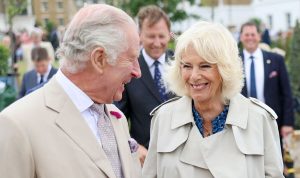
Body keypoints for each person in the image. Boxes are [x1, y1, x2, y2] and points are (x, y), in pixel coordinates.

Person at [0, 4, 142, 178]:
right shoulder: (17, 124)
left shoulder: (115, 117)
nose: (137, 71)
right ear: (99, 59)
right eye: (131, 59)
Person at [142, 21, 284, 178]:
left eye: (205, 66)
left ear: (225, 69)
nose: (194, 76)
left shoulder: (260, 119)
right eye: (187, 66)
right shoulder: (163, 119)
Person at [115, 5, 176, 166]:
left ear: (169, 35)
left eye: (161, 36)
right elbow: (116, 118)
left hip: (181, 158)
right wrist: (133, 145)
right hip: (145, 161)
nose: (157, 43)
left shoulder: (183, 64)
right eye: (151, 36)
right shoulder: (128, 69)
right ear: (140, 35)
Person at [239, 21, 294, 141]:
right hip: (242, 122)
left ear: (259, 36)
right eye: (246, 35)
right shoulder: (234, 62)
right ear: (241, 37)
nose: (250, 38)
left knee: (273, 158)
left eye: (253, 34)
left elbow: (286, 93)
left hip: (272, 120)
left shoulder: (276, 60)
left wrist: (288, 123)